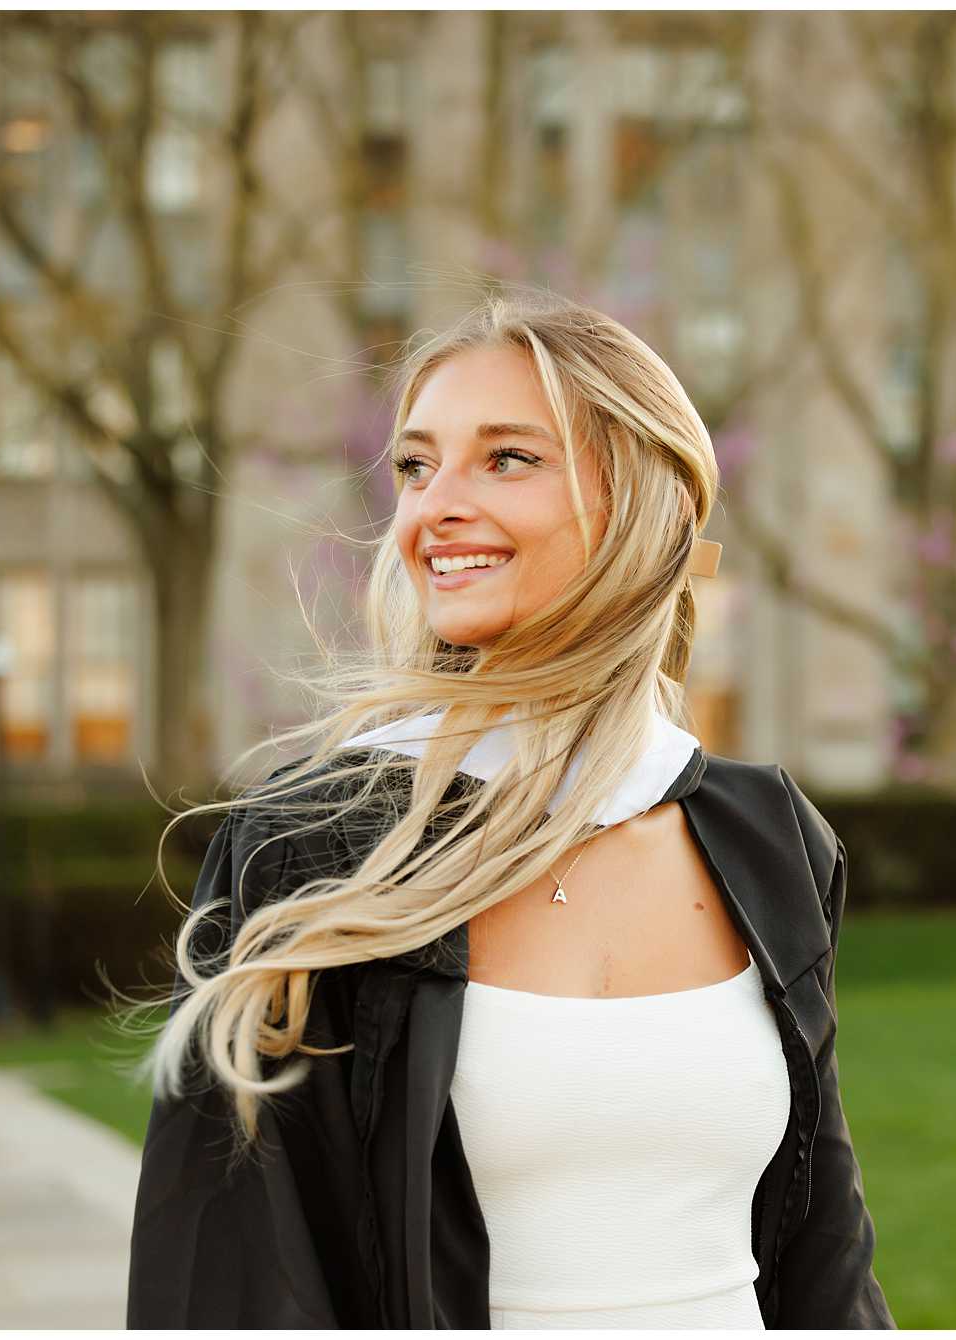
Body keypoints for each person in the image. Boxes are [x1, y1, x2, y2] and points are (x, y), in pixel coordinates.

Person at [123, 291, 895, 1329]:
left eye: (506, 458)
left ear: (639, 500)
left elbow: (823, 1259)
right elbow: (228, 1285)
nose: (432, 505)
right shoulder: (316, 851)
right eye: (414, 464)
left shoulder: (763, 835)